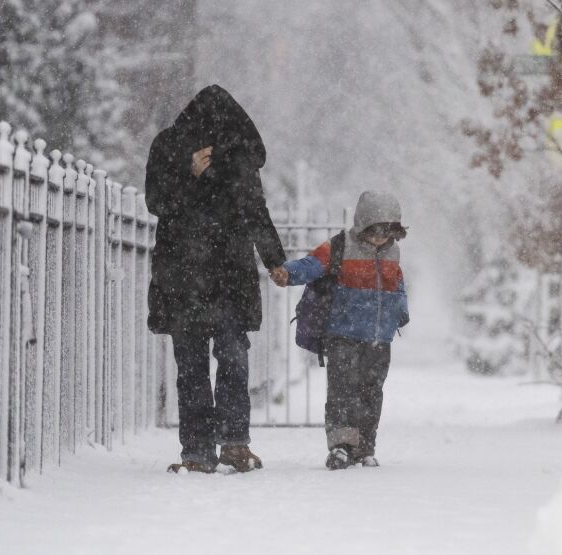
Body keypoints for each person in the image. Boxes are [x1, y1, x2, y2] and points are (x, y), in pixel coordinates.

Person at [145, 85, 288, 473]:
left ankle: (232, 444)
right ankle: (198, 450)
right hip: (186, 276)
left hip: (224, 275)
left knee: (230, 358)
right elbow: (156, 202)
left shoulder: (238, 159)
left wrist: (275, 260)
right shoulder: (170, 149)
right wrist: (189, 175)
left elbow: (255, 211)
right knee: (194, 365)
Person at [276, 191, 409, 470]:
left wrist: (400, 310)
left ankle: (365, 446)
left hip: (378, 337)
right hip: (343, 334)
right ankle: (341, 445)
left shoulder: (393, 252)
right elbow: (312, 265)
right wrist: (287, 273)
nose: (380, 238)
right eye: (375, 231)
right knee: (342, 390)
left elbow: (397, 283)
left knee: (371, 391)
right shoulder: (340, 246)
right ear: (362, 224)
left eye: (387, 232)